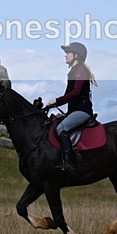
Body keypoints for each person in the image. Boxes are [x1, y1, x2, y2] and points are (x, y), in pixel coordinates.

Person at [43, 42, 98, 174]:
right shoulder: (73, 72)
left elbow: (75, 93)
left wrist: (56, 100)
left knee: (62, 128)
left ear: (76, 56)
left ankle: (70, 164)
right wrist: (52, 105)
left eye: (68, 53)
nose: (66, 56)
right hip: (73, 111)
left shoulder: (81, 70)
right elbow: (68, 95)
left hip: (82, 111)